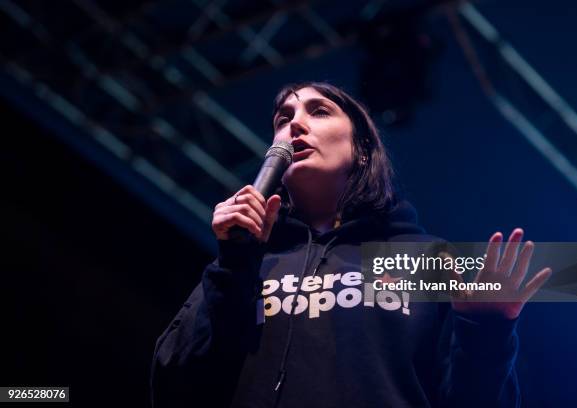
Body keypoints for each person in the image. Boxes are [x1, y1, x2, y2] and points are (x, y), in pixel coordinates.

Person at [150, 82, 552, 408]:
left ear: (361, 150)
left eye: (319, 111)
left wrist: (485, 330)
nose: (294, 126)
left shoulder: (424, 260)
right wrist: (234, 262)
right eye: (283, 119)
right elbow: (174, 386)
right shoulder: (249, 261)